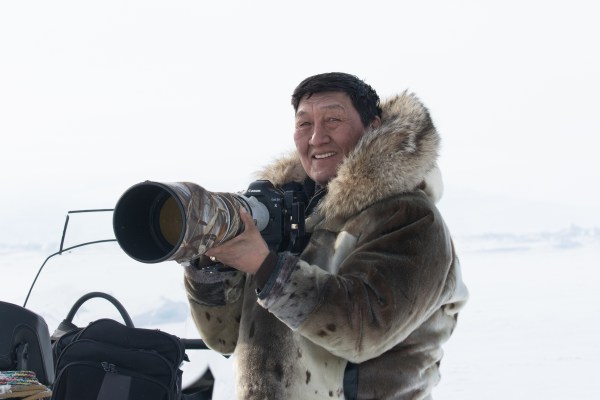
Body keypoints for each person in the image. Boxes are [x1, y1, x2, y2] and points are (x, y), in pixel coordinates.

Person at [183, 72, 469, 399]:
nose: (317, 137)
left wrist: (266, 267)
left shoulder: (410, 218)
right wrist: (213, 268)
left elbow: (363, 331)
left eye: (333, 119)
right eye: (304, 124)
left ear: (373, 126)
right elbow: (224, 339)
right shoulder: (289, 215)